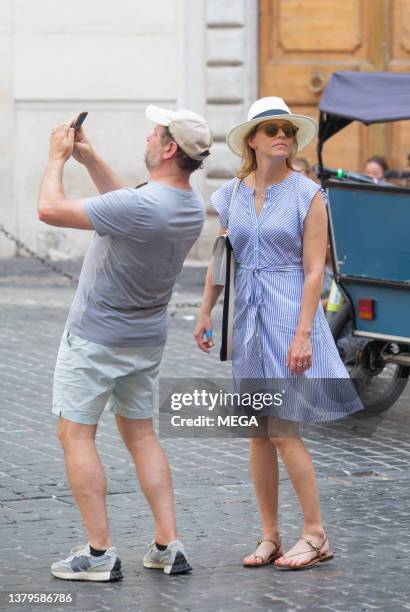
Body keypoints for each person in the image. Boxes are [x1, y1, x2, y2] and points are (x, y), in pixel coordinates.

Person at [38, 105, 212, 581]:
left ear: (169, 148)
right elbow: (127, 208)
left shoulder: (142, 206)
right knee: (141, 436)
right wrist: (91, 160)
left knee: (76, 435)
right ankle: (167, 544)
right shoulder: (188, 205)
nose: (148, 138)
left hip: (95, 337)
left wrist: (56, 158)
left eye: (155, 134)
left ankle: (98, 552)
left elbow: (49, 209)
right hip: (145, 339)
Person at [194, 97, 363, 570]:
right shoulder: (230, 194)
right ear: (252, 139)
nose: (282, 137)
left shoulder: (308, 194)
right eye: (271, 130)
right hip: (247, 315)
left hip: (291, 312)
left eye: (287, 130)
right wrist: (206, 311)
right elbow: (221, 258)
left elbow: (315, 271)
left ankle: (316, 534)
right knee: (257, 433)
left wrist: (305, 333)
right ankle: (270, 535)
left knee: (284, 430)